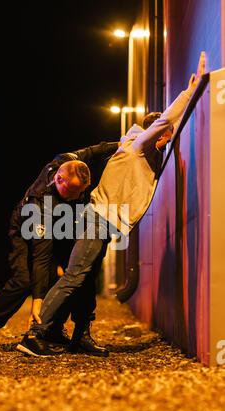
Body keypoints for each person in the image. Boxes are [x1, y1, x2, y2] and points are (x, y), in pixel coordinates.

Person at [20, 73, 201, 356]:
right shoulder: (139, 148)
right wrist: (189, 93)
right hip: (99, 219)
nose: (169, 139)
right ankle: (34, 334)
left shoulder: (135, 149)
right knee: (74, 276)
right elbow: (166, 121)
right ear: (158, 133)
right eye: (167, 135)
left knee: (85, 280)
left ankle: (80, 336)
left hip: (103, 221)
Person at [0, 141, 118, 355]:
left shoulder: (69, 161)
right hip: (24, 229)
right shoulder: (40, 204)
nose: (77, 197)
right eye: (73, 192)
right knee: (24, 281)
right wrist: (37, 301)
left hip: (62, 224)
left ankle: (69, 332)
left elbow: (97, 150)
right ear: (58, 179)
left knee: (79, 272)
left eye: (80, 192)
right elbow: (41, 256)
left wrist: (124, 144)